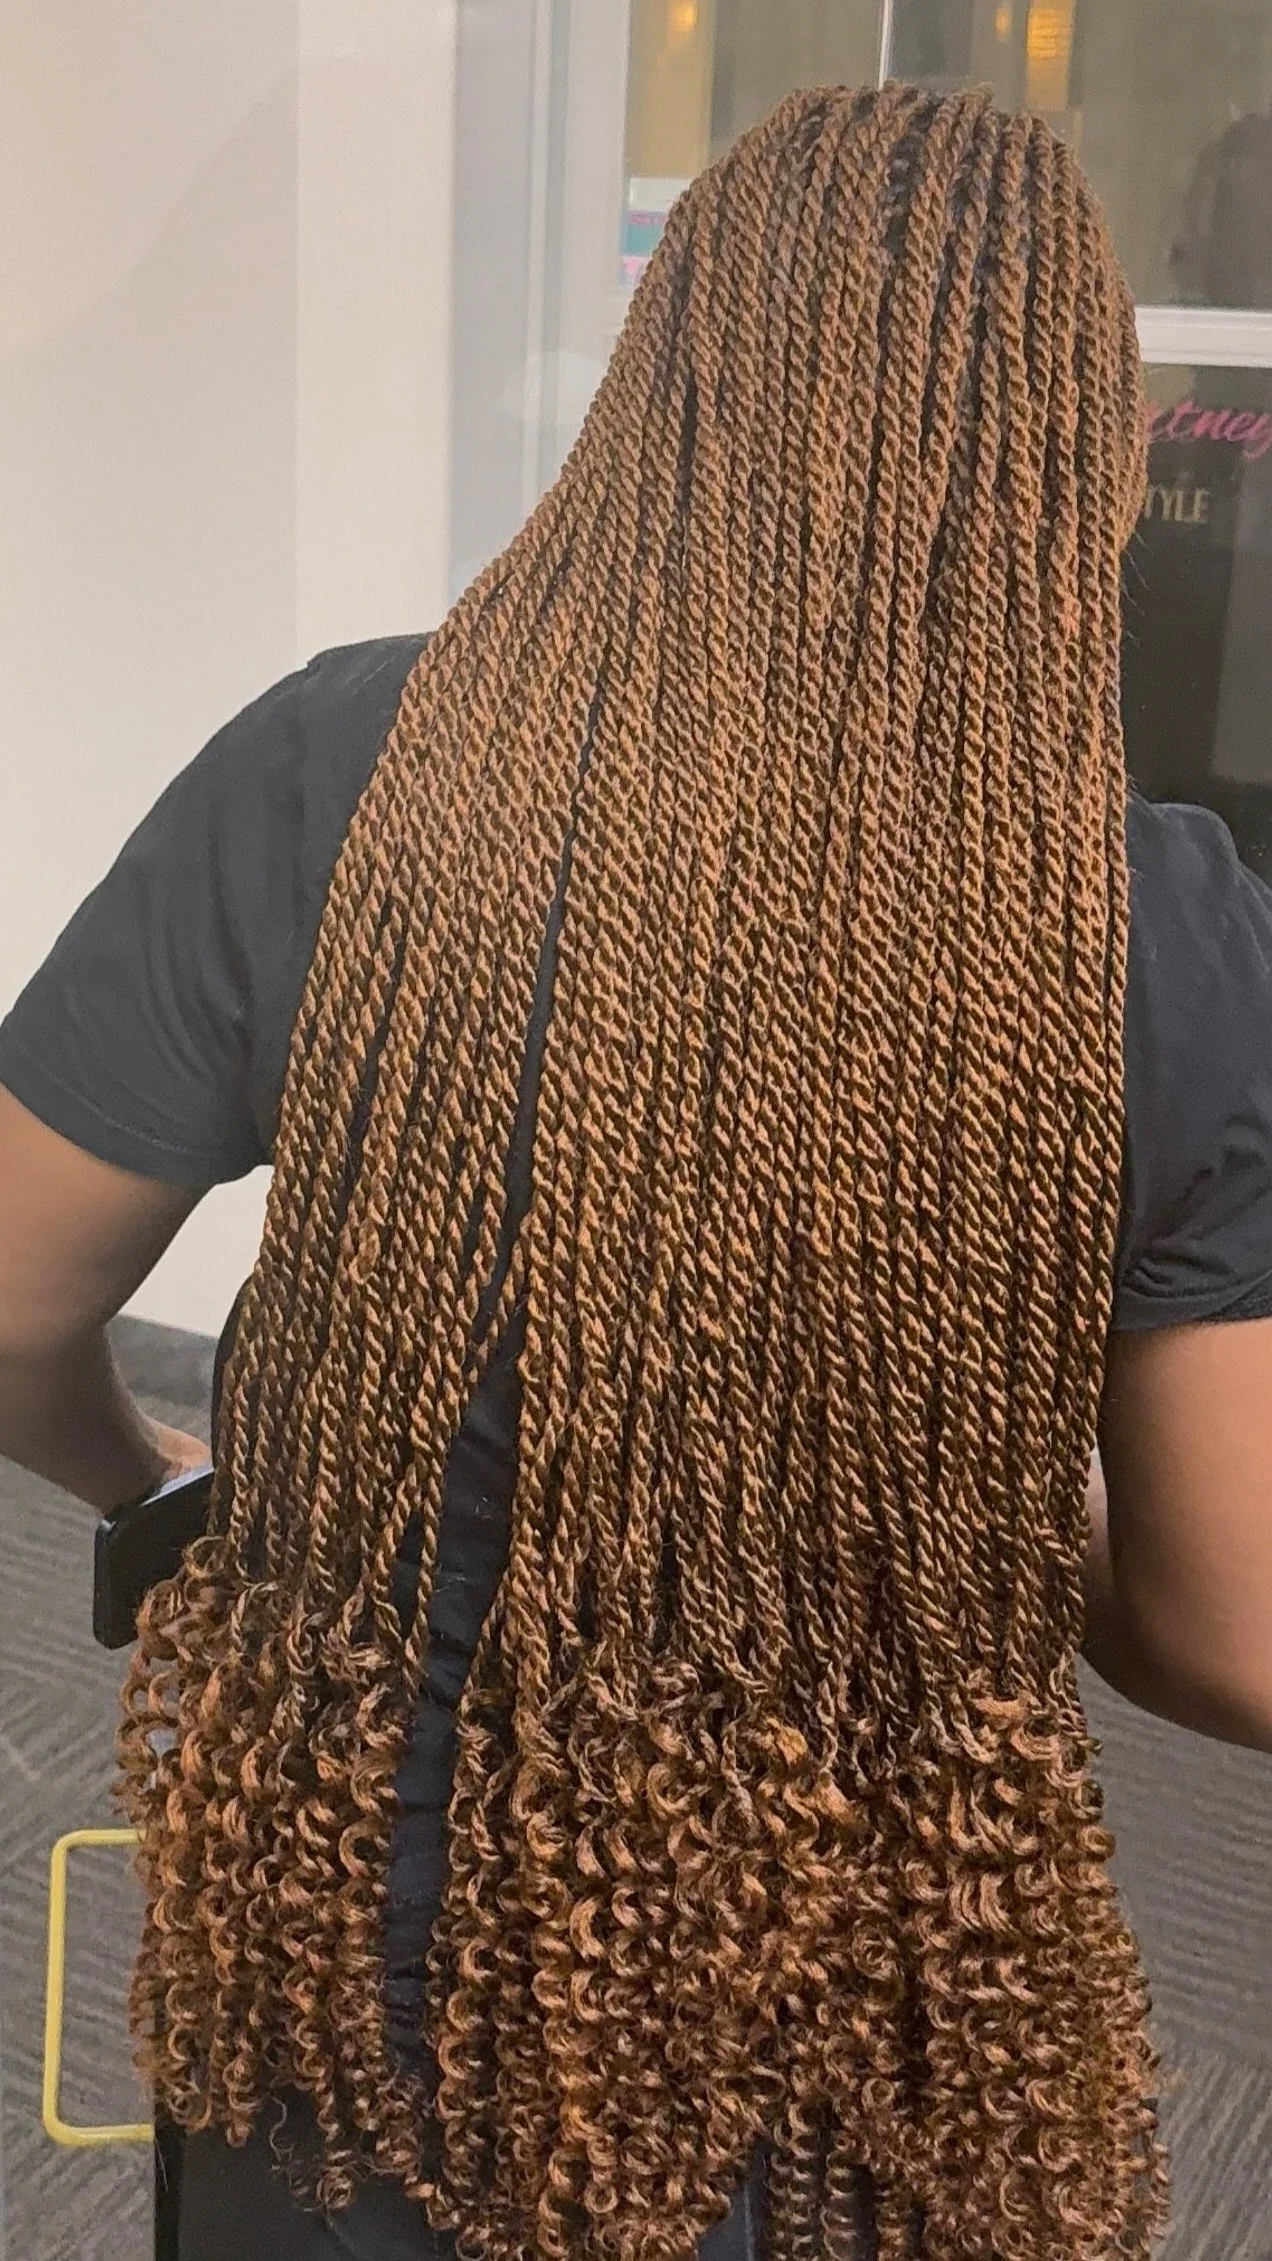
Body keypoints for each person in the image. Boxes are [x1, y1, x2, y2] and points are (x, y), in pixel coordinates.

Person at [2, 82, 1272, 2261]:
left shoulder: (341, 769)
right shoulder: (1155, 927)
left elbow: (11, 1302)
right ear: (1078, 450)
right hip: (872, 1986)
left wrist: (154, 1472)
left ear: (656, 393)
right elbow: (1232, 1628)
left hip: (356, 1954)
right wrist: (922, 1502)